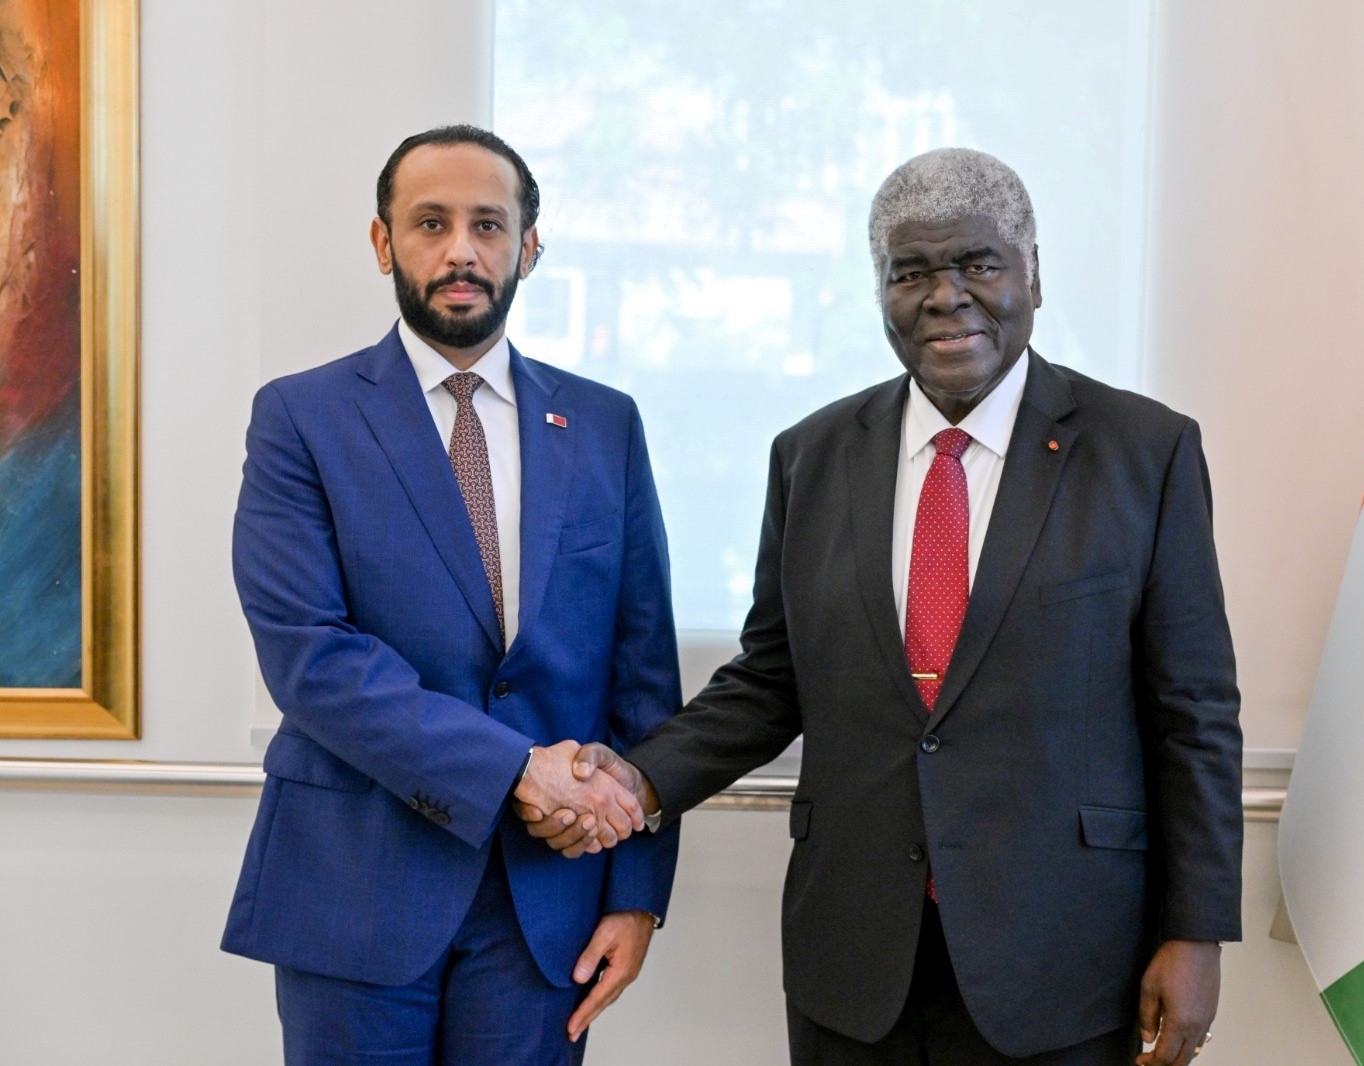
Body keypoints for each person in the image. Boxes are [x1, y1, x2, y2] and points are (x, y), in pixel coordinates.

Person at [524, 148, 1243, 1066]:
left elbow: (1193, 713)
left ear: (1033, 274)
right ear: (881, 291)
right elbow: (772, 679)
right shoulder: (812, 454)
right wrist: (636, 780)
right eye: (911, 274)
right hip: (855, 959)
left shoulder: (1145, 451)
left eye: (978, 264)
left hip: (1065, 961)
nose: (945, 297)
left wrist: (1196, 930)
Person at [223, 124, 681, 1065]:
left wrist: (637, 894)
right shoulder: (301, 417)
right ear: (384, 242)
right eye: (431, 223)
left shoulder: (606, 424)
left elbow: (643, 676)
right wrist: (515, 770)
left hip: (547, 905)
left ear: (529, 247)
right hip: (355, 886)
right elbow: (311, 657)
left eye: (488, 224)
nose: (461, 250)